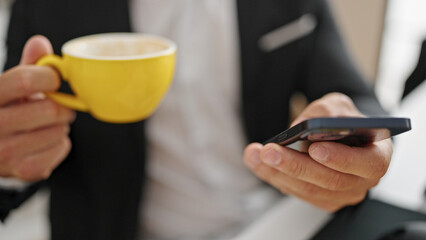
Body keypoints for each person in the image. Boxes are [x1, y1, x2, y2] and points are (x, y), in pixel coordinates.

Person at [0, 0, 392, 239]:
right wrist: (9, 164)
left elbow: (356, 97)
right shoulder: (45, 4)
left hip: (273, 221)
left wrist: (356, 143)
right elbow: (20, 123)